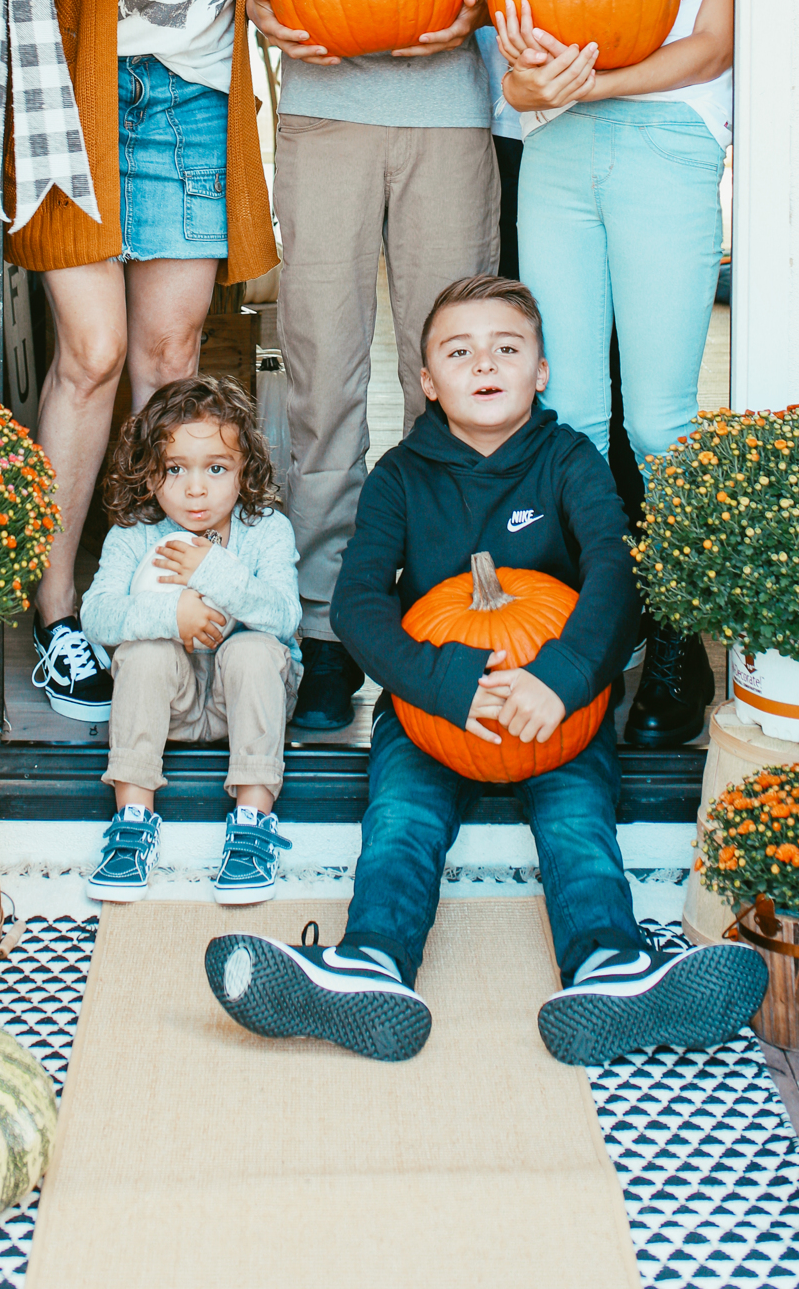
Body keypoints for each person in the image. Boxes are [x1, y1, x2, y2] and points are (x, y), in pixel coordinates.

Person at [201, 274, 766, 1062]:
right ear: (427, 381)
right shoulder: (401, 476)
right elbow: (360, 604)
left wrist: (563, 679)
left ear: (539, 370)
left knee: (577, 824)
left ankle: (612, 965)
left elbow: (614, 573)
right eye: (458, 352)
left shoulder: (569, 461)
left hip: (554, 711)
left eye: (506, 348)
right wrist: (444, 684)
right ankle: (369, 964)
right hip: (434, 713)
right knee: (400, 822)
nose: (483, 364)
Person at [248, 0, 541, 733]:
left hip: (445, 119)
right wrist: (272, 19)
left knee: (457, 379)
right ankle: (325, 624)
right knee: (320, 376)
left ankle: (442, 612)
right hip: (323, 116)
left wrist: (468, 14)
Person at [5, 0, 278, 725]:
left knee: (170, 358)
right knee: (92, 353)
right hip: (82, 93)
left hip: (194, 101)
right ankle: (59, 609)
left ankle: (159, 597)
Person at [494, 0, 735, 745]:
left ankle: (680, 636)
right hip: (555, 158)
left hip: (666, 155)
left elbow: (708, 49)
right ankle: (598, 626)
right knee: (576, 413)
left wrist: (584, 82)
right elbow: (516, 70)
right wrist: (539, 79)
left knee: (660, 420)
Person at [80, 374, 301, 903]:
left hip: (241, 702)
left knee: (254, 648)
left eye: (217, 469)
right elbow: (97, 616)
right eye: (175, 469)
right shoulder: (134, 534)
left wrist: (215, 571)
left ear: (244, 470)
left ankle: (252, 824)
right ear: (149, 472)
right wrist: (171, 612)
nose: (196, 488)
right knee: (145, 651)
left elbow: (284, 615)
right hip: (171, 705)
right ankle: (133, 823)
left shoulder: (266, 529)